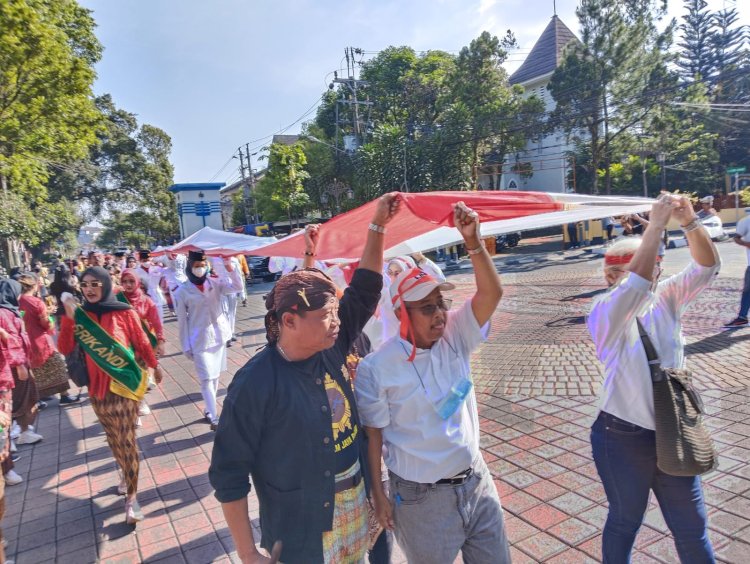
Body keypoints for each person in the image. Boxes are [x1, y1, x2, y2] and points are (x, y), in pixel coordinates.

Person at [209, 193, 400, 564]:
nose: (338, 321)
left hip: (356, 508)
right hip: (301, 531)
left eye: (336, 313)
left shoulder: (332, 345)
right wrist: (247, 553)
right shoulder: (254, 384)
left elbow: (365, 288)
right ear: (289, 321)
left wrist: (377, 227)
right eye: (328, 314)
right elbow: (228, 473)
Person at [355, 202, 510, 564]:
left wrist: (473, 241)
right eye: (426, 308)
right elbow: (373, 435)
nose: (439, 313)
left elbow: (492, 295)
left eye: (440, 303)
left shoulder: (455, 334)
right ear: (400, 314)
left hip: (476, 482)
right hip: (421, 500)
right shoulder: (376, 368)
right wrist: (378, 495)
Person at [587, 193, 719, 563]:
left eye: (655, 265)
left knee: (691, 527)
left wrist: (690, 222)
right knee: (625, 521)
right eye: (614, 273)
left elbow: (707, 266)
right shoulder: (604, 311)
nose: (620, 279)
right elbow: (635, 285)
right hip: (621, 435)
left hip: (673, 430)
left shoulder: (668, 298)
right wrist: (657, 225)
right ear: (609, 276)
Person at [58, 267, 159, 525]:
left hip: (123, 388)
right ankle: (126, 475)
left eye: (95, 283)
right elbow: (64, 347)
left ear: (104, 284)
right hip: (97, 391)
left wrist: (154, 366)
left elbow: (142, 341)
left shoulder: (124, 312)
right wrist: (69, 319)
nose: (89, 289)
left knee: (127, 440)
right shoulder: (80, 315)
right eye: (85, 284)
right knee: (114, 440)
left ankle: (132, 500)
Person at [172, 251, 243, 429]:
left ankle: (209, 410)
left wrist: (230, 268)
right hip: (199, 340)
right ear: (190, 267)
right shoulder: (182, 291)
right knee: (206, 378)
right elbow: (182, 321)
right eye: (196, 266)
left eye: (202, 265)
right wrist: (185, 345)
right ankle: (215, 417)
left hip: (219, 336)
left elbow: (237, 286)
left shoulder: (215, 283)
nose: (200, 269)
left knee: (215, 375)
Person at [17, 274, 79, 405]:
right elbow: (45, 323)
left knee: (35, 371)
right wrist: (49, 317)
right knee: (58, 365)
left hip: (27, 341)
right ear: (34, 285)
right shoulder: (36, 302)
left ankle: (37, 399)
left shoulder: (18, 301)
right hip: (41, 341)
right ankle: (64, 395)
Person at [0, 279, 37, 487]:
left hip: (5, 374)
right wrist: (20, 363)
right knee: (2, 426)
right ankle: (7, 469)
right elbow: (12, 341)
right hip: (4, 377)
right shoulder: (5, 314)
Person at [117, 269, 167, 415]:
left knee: (141, 373)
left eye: (131, 281)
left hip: (142, 345)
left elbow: (157, 323)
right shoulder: (117, 300)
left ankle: (140, 401)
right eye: (125, 282)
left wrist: (160, 340)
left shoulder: (146, 301)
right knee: (129, 375)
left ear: (138, 282)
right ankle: (135, 403)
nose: (128, 285)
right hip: (124, 345)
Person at [724, 212, 750, 328]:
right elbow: (736, 238)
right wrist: (747, 244)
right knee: (747, 291)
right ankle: (742, 317)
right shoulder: (746, 221)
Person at [135, 250, 167, 327]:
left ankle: (160, 335)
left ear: (151, 259)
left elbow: (165, 276)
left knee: (159, 318)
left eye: (148, 260)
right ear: (140, 260)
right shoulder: (136, 271)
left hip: (157, 295)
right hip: (144, 297)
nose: (146, 262)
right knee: (148, 320)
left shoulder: (157, 269)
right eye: (144, 260)